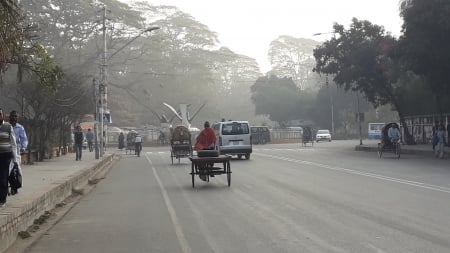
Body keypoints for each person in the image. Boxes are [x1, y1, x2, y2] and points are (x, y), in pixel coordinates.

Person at [0, 108, 19, 207]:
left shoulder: (8, 127)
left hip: (5, 155)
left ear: (2, 115)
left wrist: (15, 158)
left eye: (0, 114)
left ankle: (2, 199)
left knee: (3, 177)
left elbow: (13, 143)